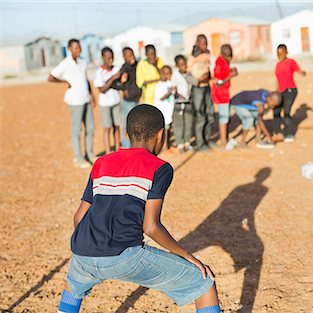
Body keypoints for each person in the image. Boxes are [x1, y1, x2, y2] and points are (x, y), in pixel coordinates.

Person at [57, 105, 220, 313]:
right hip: (124, 255)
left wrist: (91, 250)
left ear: (126, 134)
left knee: (73, 284)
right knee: (203, 282)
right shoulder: (160, 168)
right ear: (161, 134)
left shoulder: (101, 163)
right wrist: (188, 256)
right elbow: (150, 227)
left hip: (82, 251)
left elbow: (79, 216)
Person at [48, 38, 97, 168]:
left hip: (86, 99)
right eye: (75, 48)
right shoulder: (65, 63)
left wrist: (92, 95)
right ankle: (78, 157)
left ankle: (90, 153)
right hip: (75, 101)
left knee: (90, 128)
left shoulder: (83, 61)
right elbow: (51, 77)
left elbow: (85, 79)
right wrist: (65, 82)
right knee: (76, 130)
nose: (78, 50)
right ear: (69, 49)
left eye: (79, 47)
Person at [273, 44, 306, 143]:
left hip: (291, 91)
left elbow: (299, 70)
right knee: (276, 111)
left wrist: (303, 73)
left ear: (286, 52)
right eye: (278, 54)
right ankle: (277, 132)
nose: (280, 56)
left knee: (286, 112)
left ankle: (290, 133)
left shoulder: (291, 62)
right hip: (281, 91)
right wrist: (276, 92)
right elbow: (277, 79)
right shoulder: (278, 65)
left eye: (282, 53)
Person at [188, 34, 214, 151]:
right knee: (200, 115)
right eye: (203, 44)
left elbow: (209, 68)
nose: (205, 46)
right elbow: (187, 74)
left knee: (209, 113)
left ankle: (207, 139)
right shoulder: (192, 57)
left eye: (206, 43)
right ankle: (200, 142)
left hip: (207, 87)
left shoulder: (207, 53)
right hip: (197, 88)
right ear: (198, 43)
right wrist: (197, 81)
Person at [93, 47, 121, 154]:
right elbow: (102, 89)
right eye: (108, 58)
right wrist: (113, 78)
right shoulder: (99, 72)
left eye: (112, 58)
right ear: (103, 58)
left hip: (116, 101)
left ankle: (118, 149)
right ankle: (108, 151)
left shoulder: (116, 69)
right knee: (107, 127)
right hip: (105, 104)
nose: (110, 60)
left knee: (116, 126)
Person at [211, 44, 238, 148]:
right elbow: (218, 83)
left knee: (226, 117)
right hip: (221, 96)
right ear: (222, 55)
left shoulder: (223, 62)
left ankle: (225, 139)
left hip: (224, 94)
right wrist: (231, 76)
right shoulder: (219, 65)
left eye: (230, 56)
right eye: (227, 56)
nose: (229, 58)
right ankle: (223, 142)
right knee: (224, 118)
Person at [117, 47, 142, 148]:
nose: (131, 57)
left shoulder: (138, 65)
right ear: (124, 57)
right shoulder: (125, 68)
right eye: (128, 55)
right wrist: (123, 88)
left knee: (137, 124)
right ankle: (126, 147)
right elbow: (120, 81)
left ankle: (136, 146)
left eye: (132, 54)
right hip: (128, 101)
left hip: (137, 99)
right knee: (128, 124)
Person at [172, 54, 197, 152]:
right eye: (181, 65)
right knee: (179, 124)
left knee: (188, 123)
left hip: (188, 103)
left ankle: (187, 142)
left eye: (184, 64)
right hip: (179, 103)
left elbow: (195, 83)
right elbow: (174, 89)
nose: (183, 67)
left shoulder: (188, 74)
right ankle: (180, 144)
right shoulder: (175, 76)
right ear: (177, 65)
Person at [154, 65, 177, 153]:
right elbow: (162, 98)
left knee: (168, 130)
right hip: (163, 111)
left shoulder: (170, 83)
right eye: (166, 74)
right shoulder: (159, 85)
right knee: (164, 131)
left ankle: (168, 146)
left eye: (169, 74)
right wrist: (170, 91)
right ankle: (164, 148)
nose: (167, 76)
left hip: (169, 111)